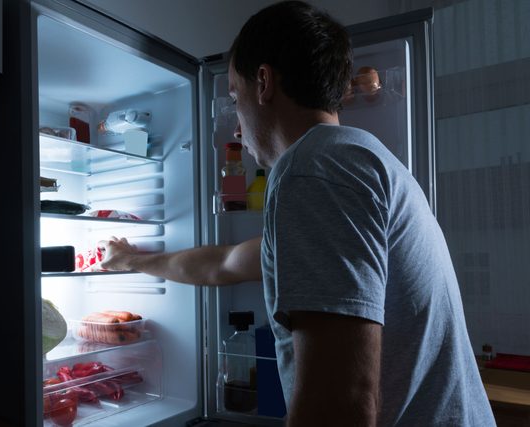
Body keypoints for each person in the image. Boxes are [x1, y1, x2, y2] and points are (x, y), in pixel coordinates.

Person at [100, 1, 495, 426]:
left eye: (235, 96)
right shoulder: (352, 158)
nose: (236, 126)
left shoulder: (314, 169)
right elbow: (224, 263)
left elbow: (341, 405)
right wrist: (132, 260)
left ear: (264, 83)